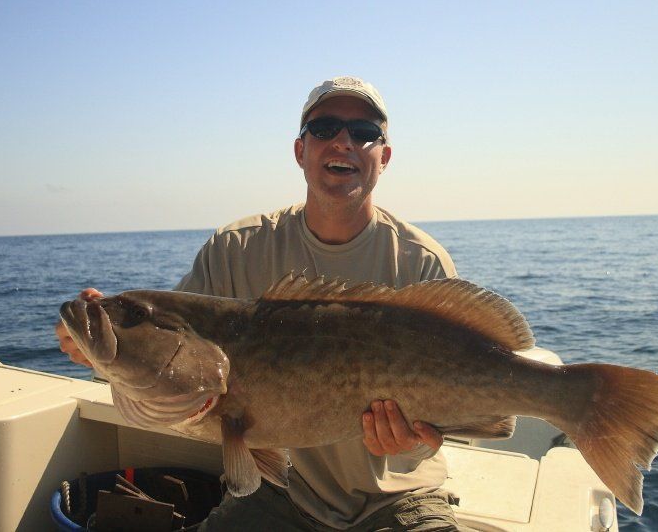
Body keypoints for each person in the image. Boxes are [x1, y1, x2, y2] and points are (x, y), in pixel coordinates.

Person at [57, 76, 465, 531]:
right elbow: (173, 370)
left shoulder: (420, 262)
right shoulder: (235, 249)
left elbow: (443, 423)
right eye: (325, 127)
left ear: (383, 156)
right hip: (283, 494)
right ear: (300, 151)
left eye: (365, 133)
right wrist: (96, 355)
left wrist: (411, 441)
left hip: (400, 497)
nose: (343, 142)